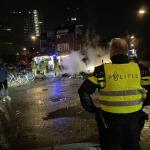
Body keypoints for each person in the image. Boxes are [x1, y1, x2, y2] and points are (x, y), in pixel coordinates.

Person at [78, 38, 150, 150]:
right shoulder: (140, 69)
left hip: (109, 125)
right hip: (133, 124)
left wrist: (94, 110)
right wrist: (143, 103)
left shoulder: (102, 71)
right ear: (126, 51)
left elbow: (83, 90)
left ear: (112, 51)